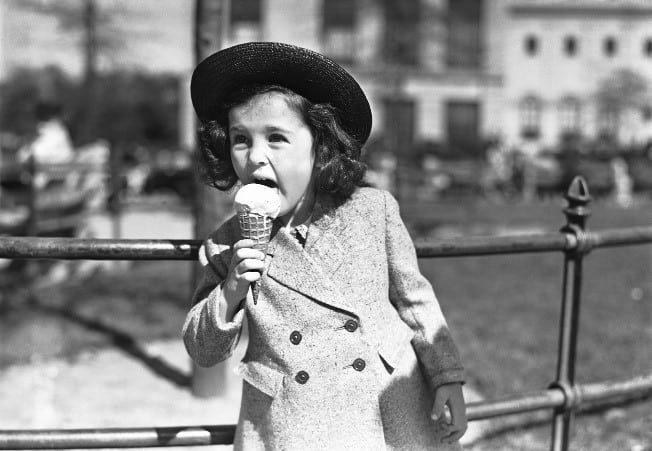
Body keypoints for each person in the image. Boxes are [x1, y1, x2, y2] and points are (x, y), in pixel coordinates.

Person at [183, 42, 467, 450]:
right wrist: (231, 291)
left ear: (320, 146)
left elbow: (416, 301)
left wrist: (447, 379)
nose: (255, 157)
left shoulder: (373, 210)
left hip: (390, 406)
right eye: (240, 138)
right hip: (291, 422)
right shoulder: (226, 243)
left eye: (276, 138)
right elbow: (202, 349)